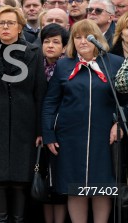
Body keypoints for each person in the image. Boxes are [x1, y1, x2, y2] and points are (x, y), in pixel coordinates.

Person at [42, 19, 126, 223]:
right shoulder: (64, 65)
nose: (82, 41)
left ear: (97, 38)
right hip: (70, 137)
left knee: (101, 187)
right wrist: (48, 134)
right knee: (76, 187)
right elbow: (50, 103)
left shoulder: (114, 62)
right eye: (77, 37)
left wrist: (121, 124)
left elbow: (125, 101)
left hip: (104, 136)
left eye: (87, 37)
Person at [0, 6, 47, 222]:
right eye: (0, 23)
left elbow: (40, 93)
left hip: (26, 122)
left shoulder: (34, 51)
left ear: (20, 26)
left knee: (21, 179)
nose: (5, 27)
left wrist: (41, 129)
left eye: (10, 23)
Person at [39, 23, 69, 223]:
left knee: (59, 182)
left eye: (56, 42)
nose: (50, 45)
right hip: (40, 132)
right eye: (46, 41)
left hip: (63, 132)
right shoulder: (34, 65)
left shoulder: (68, 66)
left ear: (65, 46)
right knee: (42, 183)